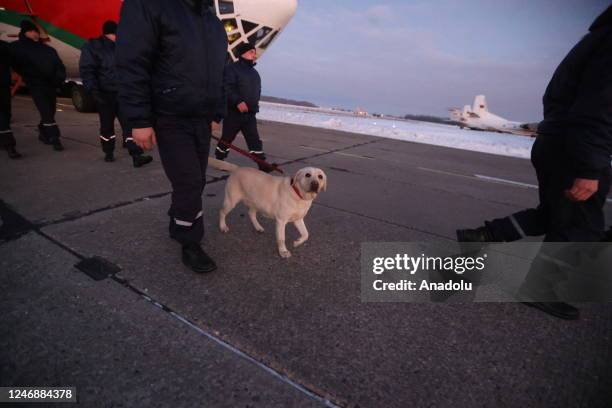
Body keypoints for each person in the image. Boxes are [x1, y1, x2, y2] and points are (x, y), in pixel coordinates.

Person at [456, 5, 612, 320]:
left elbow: (561, 100)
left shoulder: (594, 40)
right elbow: (597, 110)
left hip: (556, 141)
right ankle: (539, 287)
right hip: (576, 149)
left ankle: (482, 236)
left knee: (555, 215)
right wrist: (590, 169)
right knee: (584, 226)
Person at [116, 0, 227, 273]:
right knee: (189, 182)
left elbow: (220, 72)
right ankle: (189, 240)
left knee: (196, 180)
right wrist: (139, 120)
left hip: (200, 119)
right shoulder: (150, 5)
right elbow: (132, 63)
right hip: (169, 115)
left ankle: (179, 218)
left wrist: (216, 112)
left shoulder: (212, 21)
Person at [79, 20, 153, 167]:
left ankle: (136, 155)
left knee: (130, 124)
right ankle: (108, 152)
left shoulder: (123, 46)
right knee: (107, 125)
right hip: (104, 94)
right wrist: (93, 91)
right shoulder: (93, 47)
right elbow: (87, 70)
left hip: (123, 93)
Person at [9, 20, 66, 151]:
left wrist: (59, 79)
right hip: (36, 85)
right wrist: (26, 75)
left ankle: (43, 131)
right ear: (25, 33)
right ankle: (54, 138)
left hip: (51, 85)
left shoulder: (47, 49)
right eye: (32, 31)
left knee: (50, 110)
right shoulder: (16, 48)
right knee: (46, 111)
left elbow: (59, 65)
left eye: (36, 31)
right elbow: (13, 64)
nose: (35, 34)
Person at [214, 42, 271, 172]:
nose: (254, 54)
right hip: (234, 113)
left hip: (250, 114)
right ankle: (219, 158)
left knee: (254, 140)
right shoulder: (231, 69)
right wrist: (238, 101)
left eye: (254, 52)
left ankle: (262, 164)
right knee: (227, 138)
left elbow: (256, 92)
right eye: (252, 51)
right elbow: (227, 88)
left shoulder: (255, 74)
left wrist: (254, 107)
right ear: (243, 53)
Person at [0, 40, 22, 159]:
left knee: (3, 116)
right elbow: (16, 64)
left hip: (3, 85)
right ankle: (8, 144)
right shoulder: (6, 46)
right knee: (5, 114)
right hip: (4, 85)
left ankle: (8, 145)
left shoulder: (5, 47)